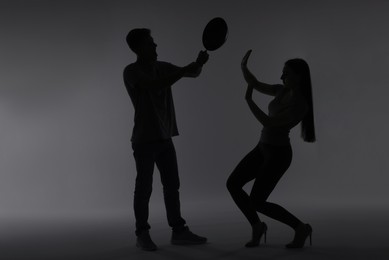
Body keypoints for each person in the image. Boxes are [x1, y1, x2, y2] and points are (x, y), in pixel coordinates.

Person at [123, 28, 209, 251]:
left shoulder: (162, 67)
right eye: (151, 43)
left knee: (172, 186)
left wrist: (198, 63)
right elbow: (153, 86)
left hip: (165, 138)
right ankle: (142, 233)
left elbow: (193, 73)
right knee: (144, 189)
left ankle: (179, 231)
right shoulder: (131, 71)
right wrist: (184, 71)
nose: (155, 46)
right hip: (144, 140)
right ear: (139, 47)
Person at [227, 50, 316, 249]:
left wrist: (249, 101)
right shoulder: (281, 90)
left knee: (257, 201)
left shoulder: (301, 104)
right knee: (233, 184)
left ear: (299, 76)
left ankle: (300, 227)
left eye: (286, 73)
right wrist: (244, 67)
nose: (281, 76)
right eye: (281, 72)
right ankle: (257, 226)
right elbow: (256, 83)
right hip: (262, 148)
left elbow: (269, 122)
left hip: (278, 155)